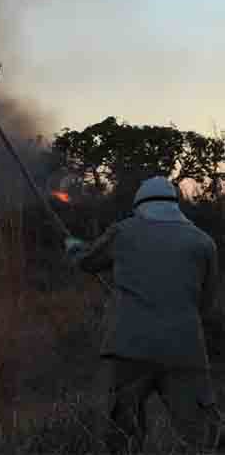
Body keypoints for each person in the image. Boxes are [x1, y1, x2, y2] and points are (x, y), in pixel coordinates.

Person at [65, 176, 221, 453]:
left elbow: (88, 262)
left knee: (123, 434)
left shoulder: (123, 232)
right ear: (176, 204)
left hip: (129, 348)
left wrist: (73, 247)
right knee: (202, 435)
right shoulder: (203, 242)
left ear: (140, 205)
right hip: (185, 349)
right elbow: (207, 305)